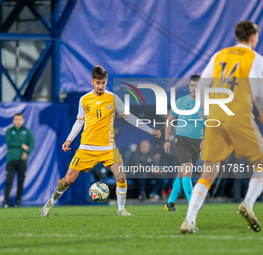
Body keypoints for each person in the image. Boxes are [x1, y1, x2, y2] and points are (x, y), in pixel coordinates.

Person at [40, 65, 161, 217]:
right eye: (98, 82)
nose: (100, 86)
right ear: (92, 82)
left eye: (103, 82)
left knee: (121, 177)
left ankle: (121, 209)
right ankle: (51, 201)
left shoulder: (112, 98)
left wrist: (151, 130)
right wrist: (69, 140)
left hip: (108, 148)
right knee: (68, 180)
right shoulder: (84, 100)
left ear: (106, 81)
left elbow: (129, 117)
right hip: (86, 148)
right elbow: (79, 122)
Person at [180, 20, 263, 233]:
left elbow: (201, 88)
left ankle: (189, 220)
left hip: (216, 115)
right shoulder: (255, 59)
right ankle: (248, 202)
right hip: (238, 115)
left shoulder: (219, 55)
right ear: (253, 37)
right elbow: (259, 95)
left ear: (237, 37)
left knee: (208, 171)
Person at [163, 75, 204, 211]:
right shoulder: (181, 101)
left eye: (197, 85)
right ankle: (192, 204)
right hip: (181, 139)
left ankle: (169, 203)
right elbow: (169, 120)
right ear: (189, 86)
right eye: (192, 85)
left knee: (182, 172)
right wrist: (167, 139)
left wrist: (205, 139)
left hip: (197, 142)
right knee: (187, 168)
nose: (194, 88)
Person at [3, 113, 35, 208]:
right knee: (9, 181)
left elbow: (32, 144)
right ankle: (5, 202)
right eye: (16, 119)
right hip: (11, 160)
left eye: (20, 119)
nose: (18, 121)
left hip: (22, 161)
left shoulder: (27, 131)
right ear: (13, 120)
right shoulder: (9, 131)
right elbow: (9, 142)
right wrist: (21, 144)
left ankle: (18, 202)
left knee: (20, 182)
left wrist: (27, 152)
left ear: (23, 120)